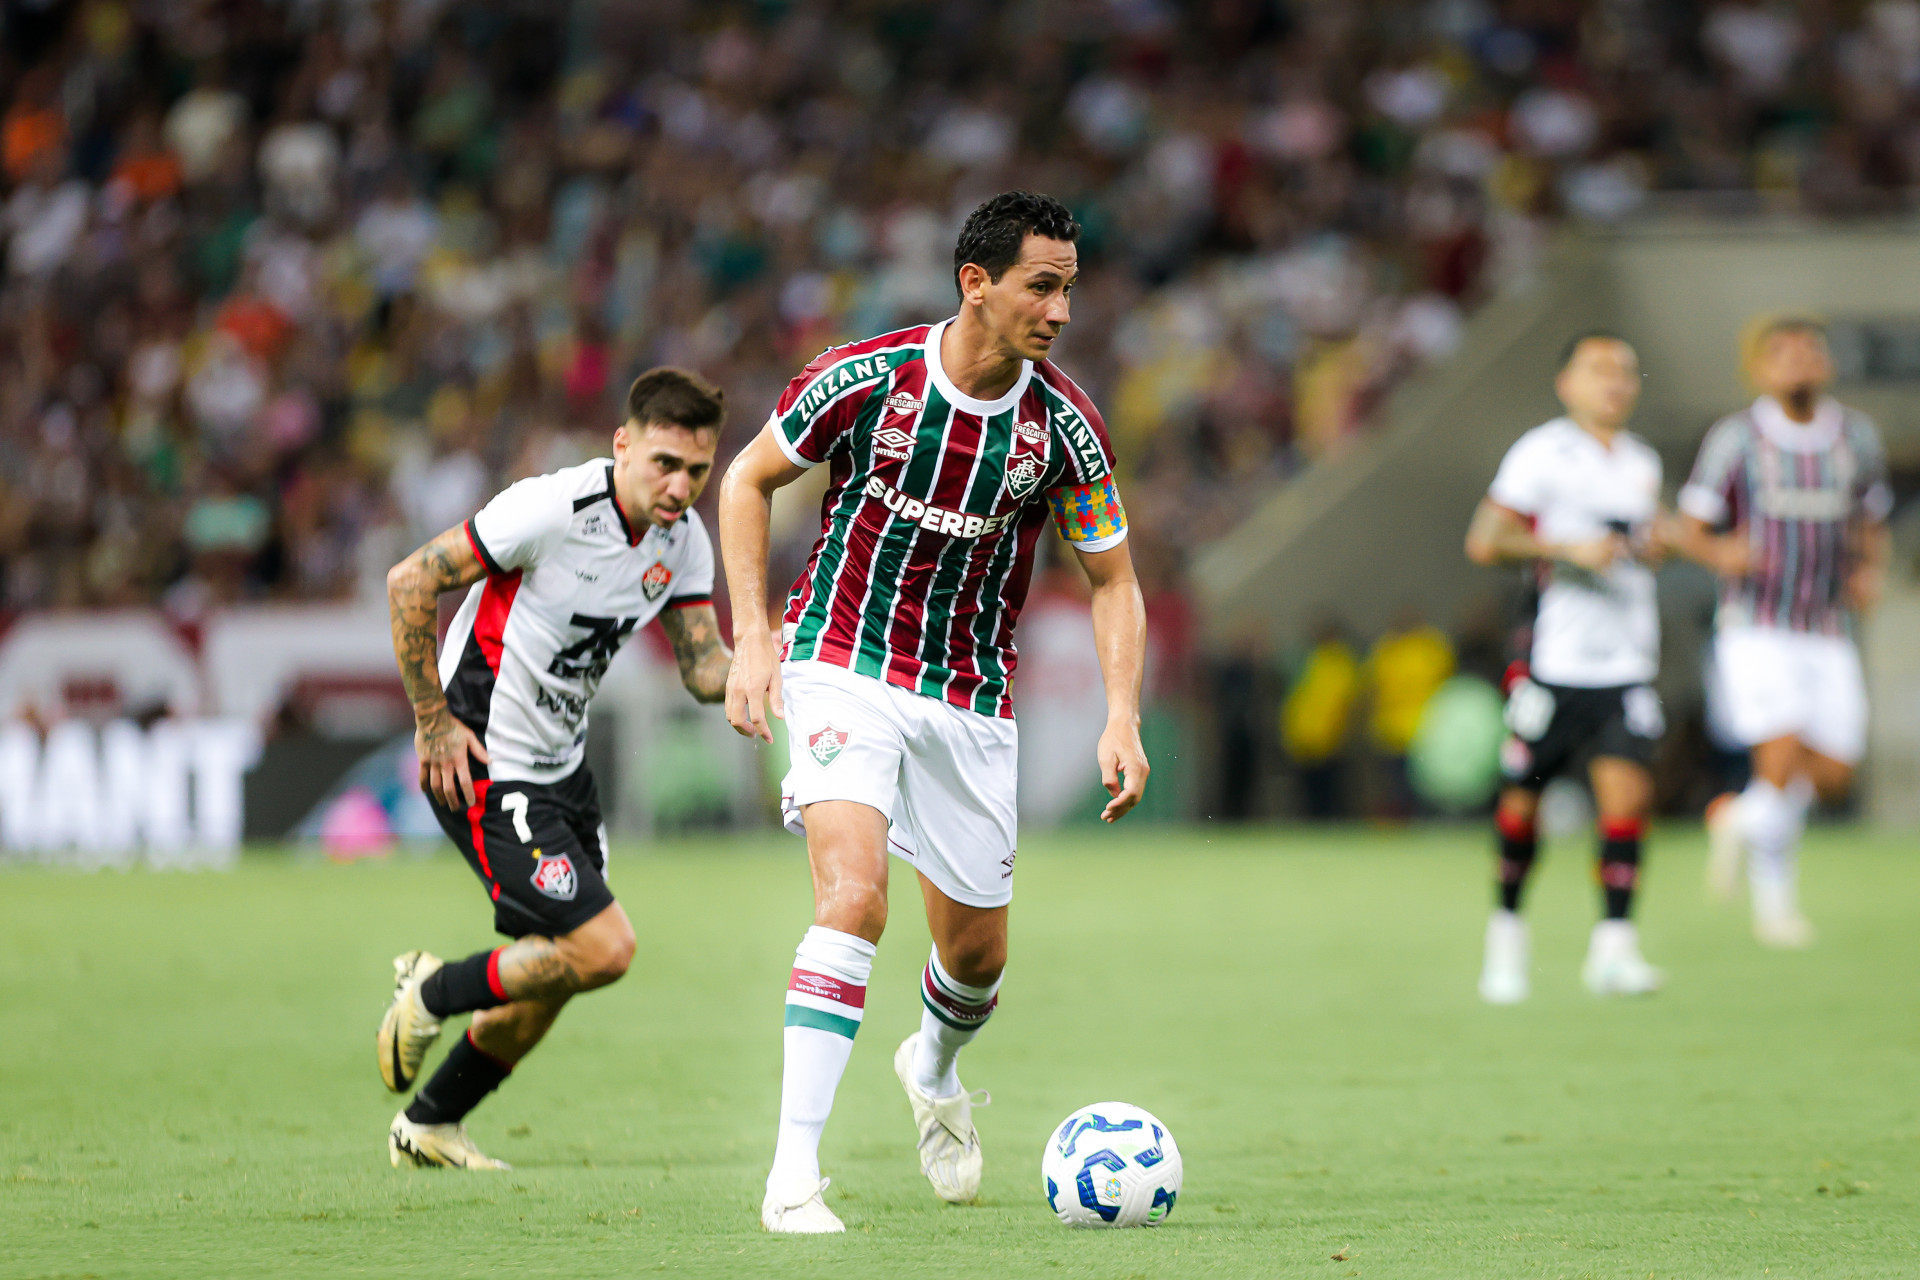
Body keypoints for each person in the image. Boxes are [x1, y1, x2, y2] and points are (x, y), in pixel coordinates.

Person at [718, 191, 1149, 1233]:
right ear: (976, 282)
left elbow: (1114, 580)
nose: (1061, 311)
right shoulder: (863, 379)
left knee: (977, 959)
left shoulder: (1066, 428)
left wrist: (1122, 714)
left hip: (969, 693)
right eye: (1042, 287)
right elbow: (746, 480)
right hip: (841, 660)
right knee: (854, 899)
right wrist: (754, 636)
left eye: (1069, 290)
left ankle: (933, 1067)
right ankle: (792, 1176)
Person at [374, 369, 732, 1168]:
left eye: (697, 471)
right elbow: (411, 579)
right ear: (623, 445)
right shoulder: (552, 510)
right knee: (604, 949)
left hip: (563, 772)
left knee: (556, 971)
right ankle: (431, 989)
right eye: (665, 464)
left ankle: (430, 1125)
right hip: (484, 761)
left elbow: (704, 667)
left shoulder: (682, 543)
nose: (680, 487)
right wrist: (431, 721)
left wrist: (780, 671)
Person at [1672, 317, 1891, 948]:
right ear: (1759, 369)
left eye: (1809, 351)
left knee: (1832, 771)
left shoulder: (1855, 436)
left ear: (1827, 363)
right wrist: (1721, 554)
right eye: (1783, 353)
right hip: (1757, 624)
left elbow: (1871, 517)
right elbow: (1691, 525)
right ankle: (1776, 908)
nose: (1799, 362)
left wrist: (1868, 570)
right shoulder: (1737, 438)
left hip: (1827, 625)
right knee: (1780, 756)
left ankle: (1737, 817)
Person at [1464, 332, 1668, 1003]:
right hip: (1552, 663)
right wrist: (1566, 548)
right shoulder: (1541, 453)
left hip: (1626, 664)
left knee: (1627, 800)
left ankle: (1614, 949)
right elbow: (1485, 541)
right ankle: (1506, 940)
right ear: (1567, 384)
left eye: (1626, 371)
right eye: (1600, 369)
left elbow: (1645, 541)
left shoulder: (1641, 461)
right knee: (1521, 805)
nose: (1616, 382)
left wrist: (1656, 544)